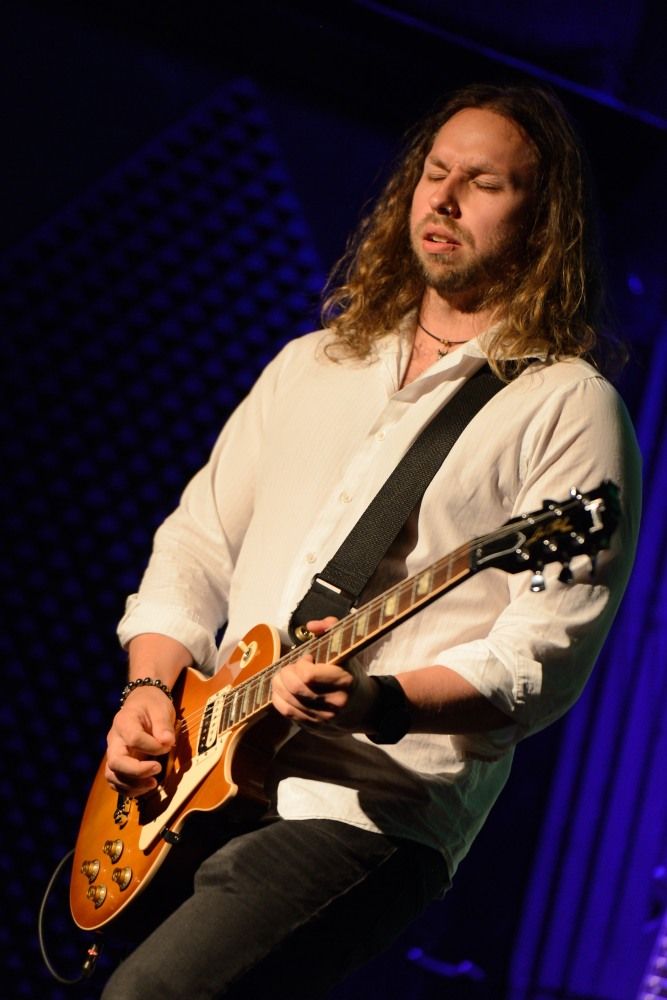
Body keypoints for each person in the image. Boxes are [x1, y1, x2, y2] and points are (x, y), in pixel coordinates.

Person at [100, 82, 641, 998]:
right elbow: (195, 546)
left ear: (542, 221)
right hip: (200, 778)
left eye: (483, 183)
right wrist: (150, 687)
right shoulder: (313, 365)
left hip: (368, 808)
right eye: (435, 172)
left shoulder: (565, 407)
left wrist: (375, 699)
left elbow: (538, 661)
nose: (445, 199)